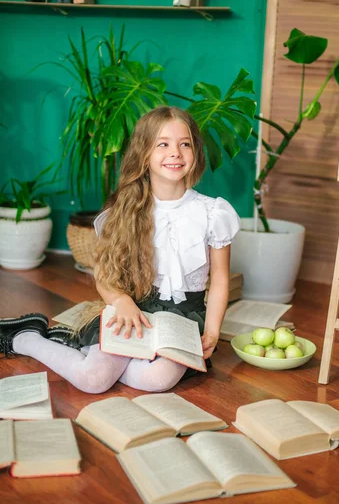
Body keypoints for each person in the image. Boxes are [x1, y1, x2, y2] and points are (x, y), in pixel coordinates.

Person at [0, 106, 240, 394]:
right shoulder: (125, 211)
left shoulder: (213, 213)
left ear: (196, 152)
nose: (175, 152)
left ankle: (85, 348)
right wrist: (121, 301)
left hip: (184, 320)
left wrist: (212, 331)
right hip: (133, 310)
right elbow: (105, 274)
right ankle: (26, 338)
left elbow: (221, 281)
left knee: (157, 380)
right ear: (144, 154)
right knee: (93, 381)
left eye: (184, 144)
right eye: (163, 144)